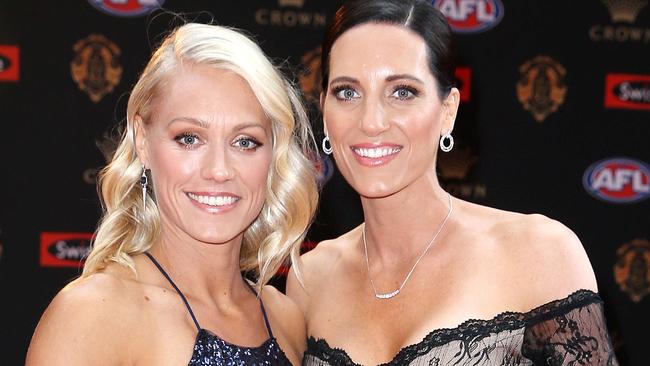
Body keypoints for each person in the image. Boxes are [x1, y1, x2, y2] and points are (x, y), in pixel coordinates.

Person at [287, 1, 618, 365]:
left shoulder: (538, 253)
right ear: (324, 110)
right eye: (347, 92)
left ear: (448, 111)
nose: (371, 121)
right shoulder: (310, 280)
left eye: (402, 92)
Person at [27, 23, 318, 365]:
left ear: (273, 156)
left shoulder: (285, 318)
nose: (219, 170)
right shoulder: (94, 313)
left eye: (245, 142)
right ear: (143, 141)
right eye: (189, 138)